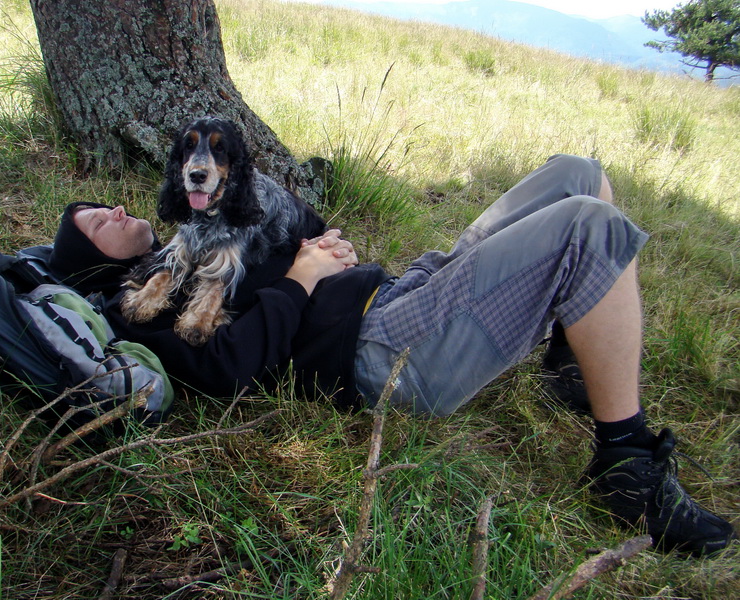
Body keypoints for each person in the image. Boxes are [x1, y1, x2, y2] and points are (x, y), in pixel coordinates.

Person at [47, 154, 735, 557]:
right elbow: (227, 366)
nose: (109, 211)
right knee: (591, 227)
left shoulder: (184, 250)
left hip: (396, 292)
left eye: (101, 205)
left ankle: (574, 361)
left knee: (577, 172)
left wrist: (322, 254)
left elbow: (288, 252)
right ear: (91, 267)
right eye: (92, 224)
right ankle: (625, 461)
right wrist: (301, 280)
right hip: (385, 350)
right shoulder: (135, 309)